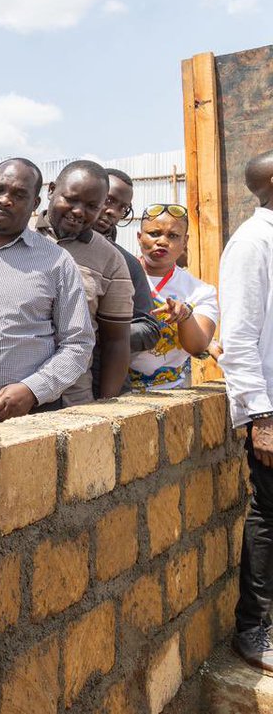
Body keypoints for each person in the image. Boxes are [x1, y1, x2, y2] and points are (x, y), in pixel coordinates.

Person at [0, 158, 94, 421]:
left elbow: (78, 343)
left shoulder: (56, 261)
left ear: (35, 204)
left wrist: (33, 390)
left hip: (27, 415)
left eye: (19, 194)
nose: (4, 200)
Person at [219, 149, 273, 671]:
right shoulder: (253, 242)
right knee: (268, 516)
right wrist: (260, 418)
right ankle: (253, 630)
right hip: (272, 410)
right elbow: (236, 340)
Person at [34, 160, 134, 402]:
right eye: (71, 199)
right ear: (51, 190)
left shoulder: (111, 259)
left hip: (72, 402)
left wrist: (105, 409)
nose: (79, 211)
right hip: (6, 395)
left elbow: (116, 341)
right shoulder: (20, 239)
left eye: (91, 206)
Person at [128, 203, 218, 390]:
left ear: (184, 241)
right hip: (117, 389)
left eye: (173, 236)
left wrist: (185, 316)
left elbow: (197, 347)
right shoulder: (118, 276)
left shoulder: (199, 291)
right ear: (139, 237)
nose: (162, 241)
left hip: (171, 390)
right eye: (154, 234)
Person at [92, 168, 162, 355]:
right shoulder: (46, 246)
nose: (113, 212)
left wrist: (100, 334)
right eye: (109, 200)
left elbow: (148, 328)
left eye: (122, 208)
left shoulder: (125, 262)